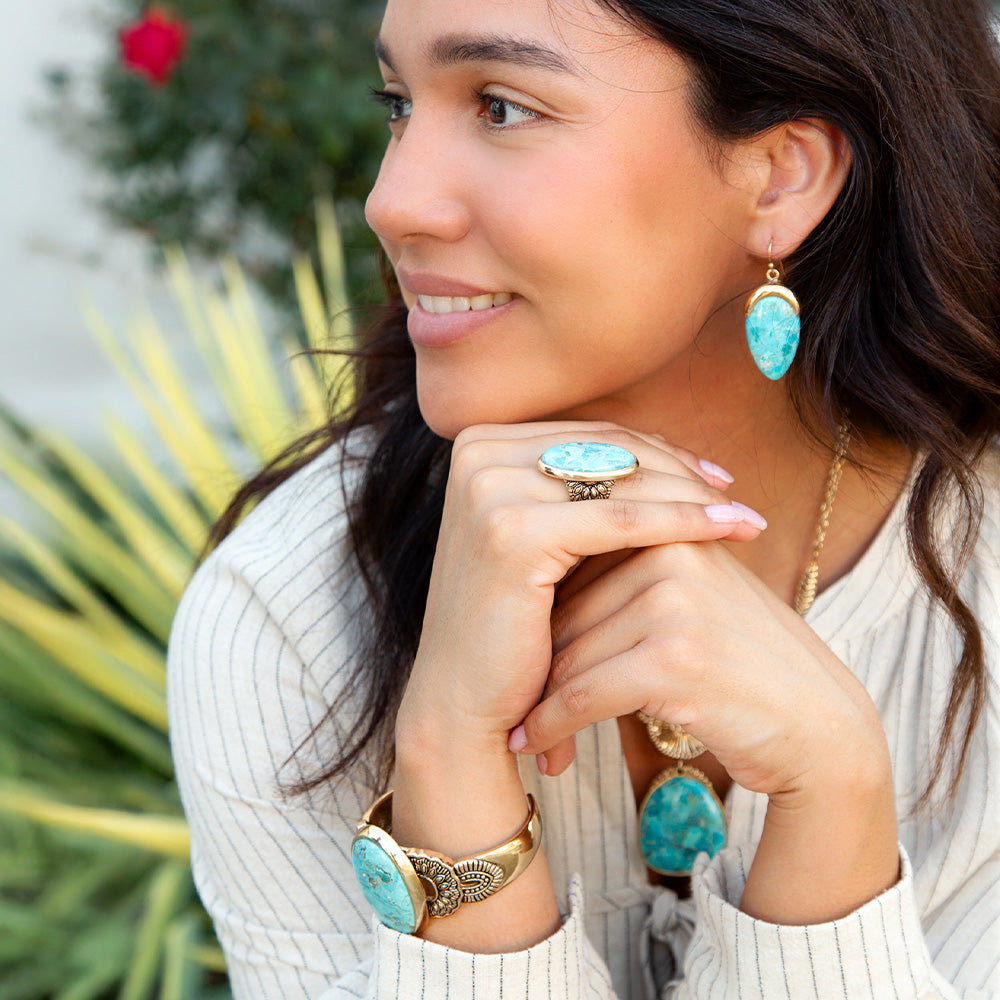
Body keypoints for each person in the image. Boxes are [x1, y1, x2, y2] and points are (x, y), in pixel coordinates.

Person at [165, 0, 1000, 995]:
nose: (392, 202)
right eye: (397, 103)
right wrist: (447, 769)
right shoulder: (285, 620)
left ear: (780, 176)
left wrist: (834, 802)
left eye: (503, 105)